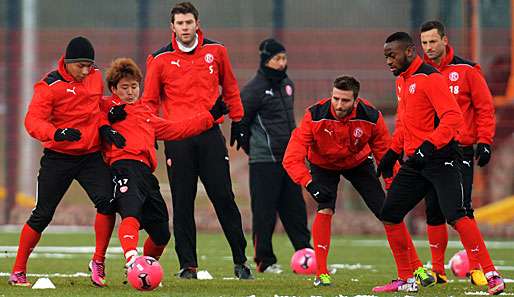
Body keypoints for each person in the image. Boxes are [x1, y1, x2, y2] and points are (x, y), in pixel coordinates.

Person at [375, 32, 504, 295]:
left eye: (392, 55)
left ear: (409, 52)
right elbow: (404, 123)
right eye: (386, 56)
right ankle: (407, 278)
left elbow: (453, 118)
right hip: (416, 162)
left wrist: (430, 145)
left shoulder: (430, 78)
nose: (388, 60)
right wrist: (392, 153)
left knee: (457, 215)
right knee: (389, 214)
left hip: (442, 158)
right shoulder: (402, 80)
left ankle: (492, 275)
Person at [283, 76, 432, 287]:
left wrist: (394, 185)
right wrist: (309, 183)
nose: (339, 105)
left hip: (358, 162)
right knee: (325, 209)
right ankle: (321, 274)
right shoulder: (314, 115)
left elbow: (384, 153)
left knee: (389, 213)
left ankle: (417, 267)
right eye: (335, 99)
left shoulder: (371, 116)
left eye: (345, 101)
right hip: (323, 165)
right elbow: (291, 158)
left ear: (356, 101)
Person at [141, 2, 252, 279]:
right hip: (177, 139)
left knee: (224, 197)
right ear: (172, 27)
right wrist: (149, 132)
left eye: (189, 22)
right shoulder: (159, 59)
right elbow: (149, 102)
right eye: (180, 23)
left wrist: (238, 121)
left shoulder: (217, 52)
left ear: (197, 23)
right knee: (182, 202)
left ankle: (240, 261)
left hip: (209, 136)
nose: (185, 28)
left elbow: (231, 87)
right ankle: (187, 266)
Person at [9, 36, 126, 287]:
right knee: (42, 214)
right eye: (81, 65)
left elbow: (96, 106)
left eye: (90, 65)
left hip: (90, 156)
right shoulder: (49, 86)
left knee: (107, 202)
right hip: (58, 158)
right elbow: (32, 121)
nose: (86, 71)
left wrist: (109, 113)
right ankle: (18, 270)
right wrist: (56, 133)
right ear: (68, 62)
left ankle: (98, 261)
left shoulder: (95, 76)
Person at [101, 57, 226, 271]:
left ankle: (145, 268)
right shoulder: (105, 106)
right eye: (124, 88)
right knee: (130, 213)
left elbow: (178, 129)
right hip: (123, 167)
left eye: (134, 87)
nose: (130, 92)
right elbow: (85, 115)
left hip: (146, 174)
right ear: (113, 88)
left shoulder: (146, 115)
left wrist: (210, 116)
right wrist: (106, 119)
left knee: (161, 233)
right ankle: (132, 261)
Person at [420, 20, 496, 286]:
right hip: (430, 152)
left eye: (433, 41)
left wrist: (485, 141)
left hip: (460, 150)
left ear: (444, 40)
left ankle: (476, 267)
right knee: (433, 210)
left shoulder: (467, 70)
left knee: (462, 209)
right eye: (424, 43)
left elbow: (485, 107)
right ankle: (438, 270)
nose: (428, 47)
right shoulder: (422, 73)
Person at [239, 38, 312, 274]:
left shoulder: (287, 84)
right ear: (265, 60)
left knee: (295, 209)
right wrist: (255, 150)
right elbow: (242, 123)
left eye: (284, 58)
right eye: (276, 59)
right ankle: (264, 260)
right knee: (264, 211)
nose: (281, 64)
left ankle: (305, 253)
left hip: (289, 160)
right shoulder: (254, 89)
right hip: (264, 161)